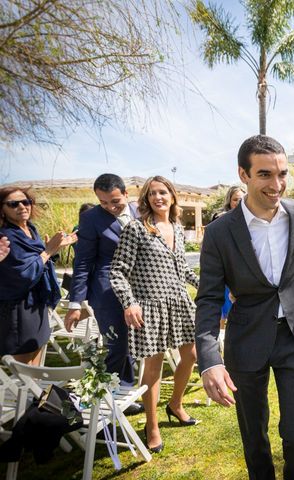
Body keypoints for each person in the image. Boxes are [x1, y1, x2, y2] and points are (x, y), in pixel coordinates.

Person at [195, 135, 294, 480]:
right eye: (265, 174)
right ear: (243, 174)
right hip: (246, 339)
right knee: (254, 434)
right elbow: (208, 298)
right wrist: (209, 360)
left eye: (282, 174)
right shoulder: (220, 232)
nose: (277, 184)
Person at [109, 176, 200, 453]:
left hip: (179, 303)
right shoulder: (136, 229)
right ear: (146, 200)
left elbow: (182, 269)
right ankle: (152, 426)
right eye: (152, 194)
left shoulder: (177, 229)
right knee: (154, 367)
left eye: (163, 192)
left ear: (172, 196)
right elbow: (118, 271)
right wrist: (129, 303)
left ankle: (175, 405)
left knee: (193, 356)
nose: (158, 197)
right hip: (149, 306)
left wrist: (208, 287)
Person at [63, 174, 142, 415]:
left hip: (141, 287)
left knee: (132, 342)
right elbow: (83, 262)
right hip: (107, 291)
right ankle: (87, 403)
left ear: (126, 193)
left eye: (115, 201)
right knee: (117, 344)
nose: (110, 207)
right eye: (104, 202)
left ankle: (123, 392)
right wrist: (75, 302)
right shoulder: (90, 218)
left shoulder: (142, 209)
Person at [0, 187, 76, 365]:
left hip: (38, 301)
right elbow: (24, 274)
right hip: (19, 307)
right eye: (13, 204)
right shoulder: (7, 236)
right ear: (2, 209)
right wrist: (48, 251)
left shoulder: (31, 229)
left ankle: (35, 391)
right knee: (24, 362)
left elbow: (39, 259)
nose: (22, 206)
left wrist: (53, 250)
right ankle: (27, 391)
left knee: (39, 345)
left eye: (25, 202)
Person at [210, 186, 246, 324]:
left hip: (245, 271)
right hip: (225, 270)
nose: (238, 202)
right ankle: (221, 340)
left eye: (241, 199)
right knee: (224, 309)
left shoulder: (251, 219)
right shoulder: (220, 219)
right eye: (235, 199)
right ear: (229, 201)